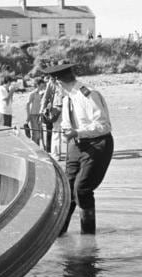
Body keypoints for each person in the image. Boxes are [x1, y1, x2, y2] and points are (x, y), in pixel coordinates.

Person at [42, 62, 114, 235]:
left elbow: (104, 126)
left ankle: (88, 237)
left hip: (97, 144)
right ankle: (59, 232)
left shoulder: (88, 94)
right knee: (67, 189)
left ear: (57, 83)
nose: (51, 89)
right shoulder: (67, 98)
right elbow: (67, 124)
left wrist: (77, 131)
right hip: (76, 143)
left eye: (51, 85)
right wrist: (59, 124)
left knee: (82, 189)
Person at [25, 78, 44, 146]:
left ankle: (38, 148)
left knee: (39, 134)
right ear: (37, 85)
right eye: (41, 86)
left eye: (43, 86)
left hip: (39, 115)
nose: (42, 87)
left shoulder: (42, 94)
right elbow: (27, 104)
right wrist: (28, 115)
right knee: (36, 134)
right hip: (33, 115)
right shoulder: (32, 94)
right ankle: (35, 148)